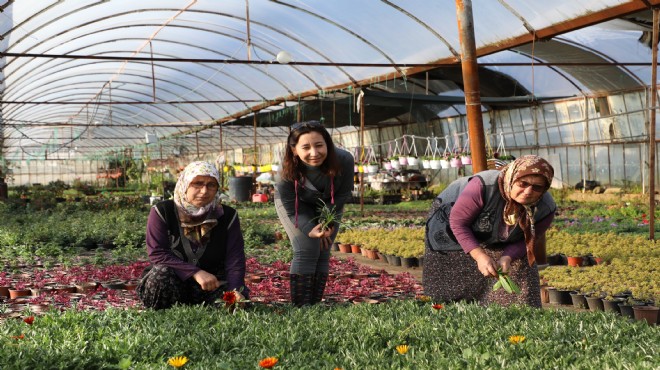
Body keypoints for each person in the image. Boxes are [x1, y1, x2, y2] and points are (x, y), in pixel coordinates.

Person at [423, 155, 556, 307]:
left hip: (496, 229)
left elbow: (527, 240)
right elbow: (458, 223)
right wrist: (479, 256)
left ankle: (514, 316)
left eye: (537, 187)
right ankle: (448, 311)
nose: (528, 191)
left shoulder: (546, 208)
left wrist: (508, 257)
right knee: (453, 266)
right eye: (522, 183)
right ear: (512, 179)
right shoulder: (484, 186)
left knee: (520, 268)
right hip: (449, 219)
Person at [137, 161, 249, 309]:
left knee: (233, 301)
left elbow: (234, 258)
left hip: (210, 285)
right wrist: (196, 273)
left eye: (211, 185)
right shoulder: (162, 211)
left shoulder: (226, 215)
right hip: (172, 283)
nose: (204, 191)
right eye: (197, 184)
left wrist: (235, 290)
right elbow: (158, 253)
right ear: (185, 184)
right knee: (161, 274)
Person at [275, 120, 355, 306]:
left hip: (330, 204)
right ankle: (302, 307)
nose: (314, 153)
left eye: (319, 145)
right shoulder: (285, 171)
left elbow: (343, 193)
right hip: (296, 206)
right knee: (306, 248)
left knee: (323, 248)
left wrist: (326, 222)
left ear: (327, 143)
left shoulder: (344, 160)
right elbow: (291, 205)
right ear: (294, 150)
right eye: (306, 147)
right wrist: (310, 229)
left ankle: (314, 306)